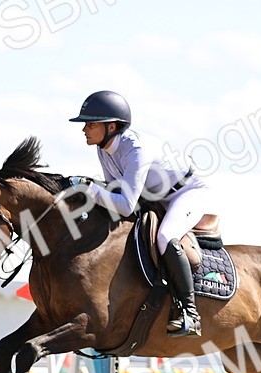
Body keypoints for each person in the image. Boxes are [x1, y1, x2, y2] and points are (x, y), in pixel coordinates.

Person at [69, 90, 210, 337]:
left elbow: (124, 204)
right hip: (153, 197)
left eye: (90, 123)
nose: (84, 129)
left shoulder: (135, 149)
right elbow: (115, 194)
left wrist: (90, 189)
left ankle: (190, 313)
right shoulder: (104, 149)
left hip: (185, 194)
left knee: (165, 237)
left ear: (111, 126)